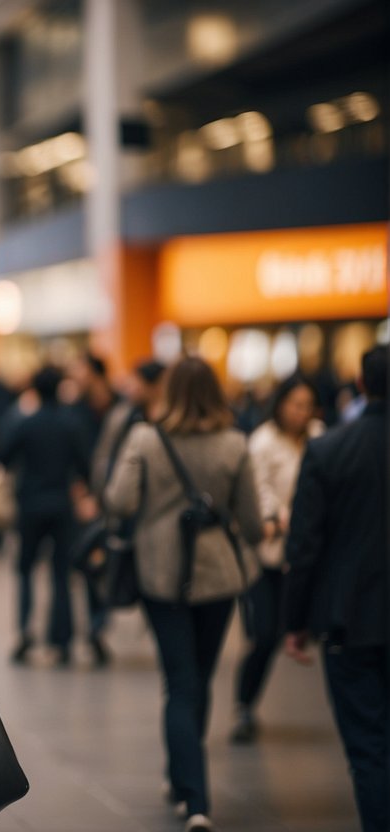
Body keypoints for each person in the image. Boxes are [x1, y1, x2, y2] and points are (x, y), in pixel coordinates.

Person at [104, 357, 263, 832]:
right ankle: (185, 783)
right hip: (218, 577)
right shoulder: (236, 444)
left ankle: (191, 795)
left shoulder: (146, 439)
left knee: (180, 682)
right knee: (202, 677)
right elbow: (252, 522)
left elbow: (119, 501)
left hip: (161, 574)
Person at [283, 345, 387, 832]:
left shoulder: (327, 451)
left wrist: (296, 621)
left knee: (367, 748)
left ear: (361, 385)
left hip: (351, 618)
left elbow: (305, 545)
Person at [229, 375, 322, 744]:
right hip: (266, 555)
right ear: (281, 403)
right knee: (264, 634)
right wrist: (280, 517)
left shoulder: (318, 435)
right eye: (294, 404)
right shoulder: (263, 441)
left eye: (306, 405)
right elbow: (257, 491)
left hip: (306, 554)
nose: (300, 413)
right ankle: (244, 704)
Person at [0, 364, 91, 666]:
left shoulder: (27, 423)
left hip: (30, 504)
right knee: (61, 574)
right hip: (62, 506)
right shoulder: (71, 423)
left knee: (25, 570)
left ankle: (25, 632)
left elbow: (2, 456)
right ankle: (62, 640)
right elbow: (86, 465)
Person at [82, 359, 166, 665]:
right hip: (121, 508)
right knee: (108, 567)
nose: (132, 388)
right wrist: (102, 496)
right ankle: (97, 626)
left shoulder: (166, 418)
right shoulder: (122, 416)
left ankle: (160, 632)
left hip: (154, 513)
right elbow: (104, 458)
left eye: (138, 382)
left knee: (149, 574)